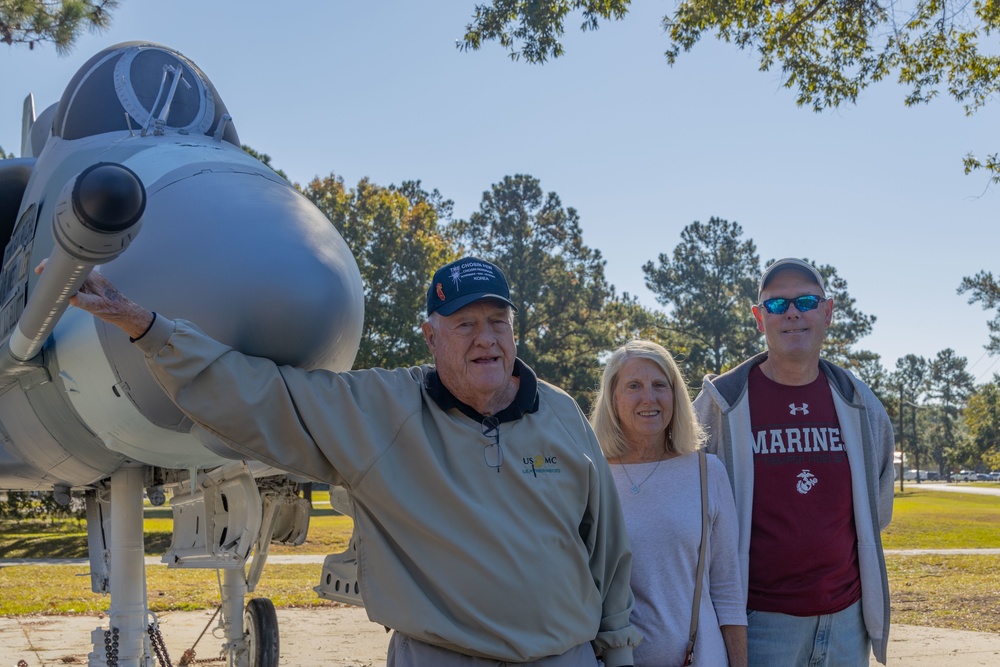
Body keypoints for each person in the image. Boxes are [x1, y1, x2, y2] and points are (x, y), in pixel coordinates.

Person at [59, 256, 642, 667]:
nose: (485, 338)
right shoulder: (378, 410)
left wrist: (616, 654)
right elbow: (262, 395)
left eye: (498, 322)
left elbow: (607, 549)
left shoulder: (563, 415)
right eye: (464, 324)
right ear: (431, 338)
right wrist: (147, 328)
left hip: (561, 657)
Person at [692, 258, 894, 666]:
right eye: (776, 305)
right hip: (758, 623)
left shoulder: (860, 403)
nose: (792, 313)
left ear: (828, 312)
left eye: (805, 300)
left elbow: (878, 504)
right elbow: (689, 504)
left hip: (846, 623)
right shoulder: (720, 405)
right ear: (758, 317)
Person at [591, 340, 747, 667]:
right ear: (612, 398)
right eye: (634, 386)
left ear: (675, 396)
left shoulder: (707, 473)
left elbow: (728, 590)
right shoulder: (590, 476)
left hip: (700, 659)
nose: (649, 397)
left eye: (660, 385)